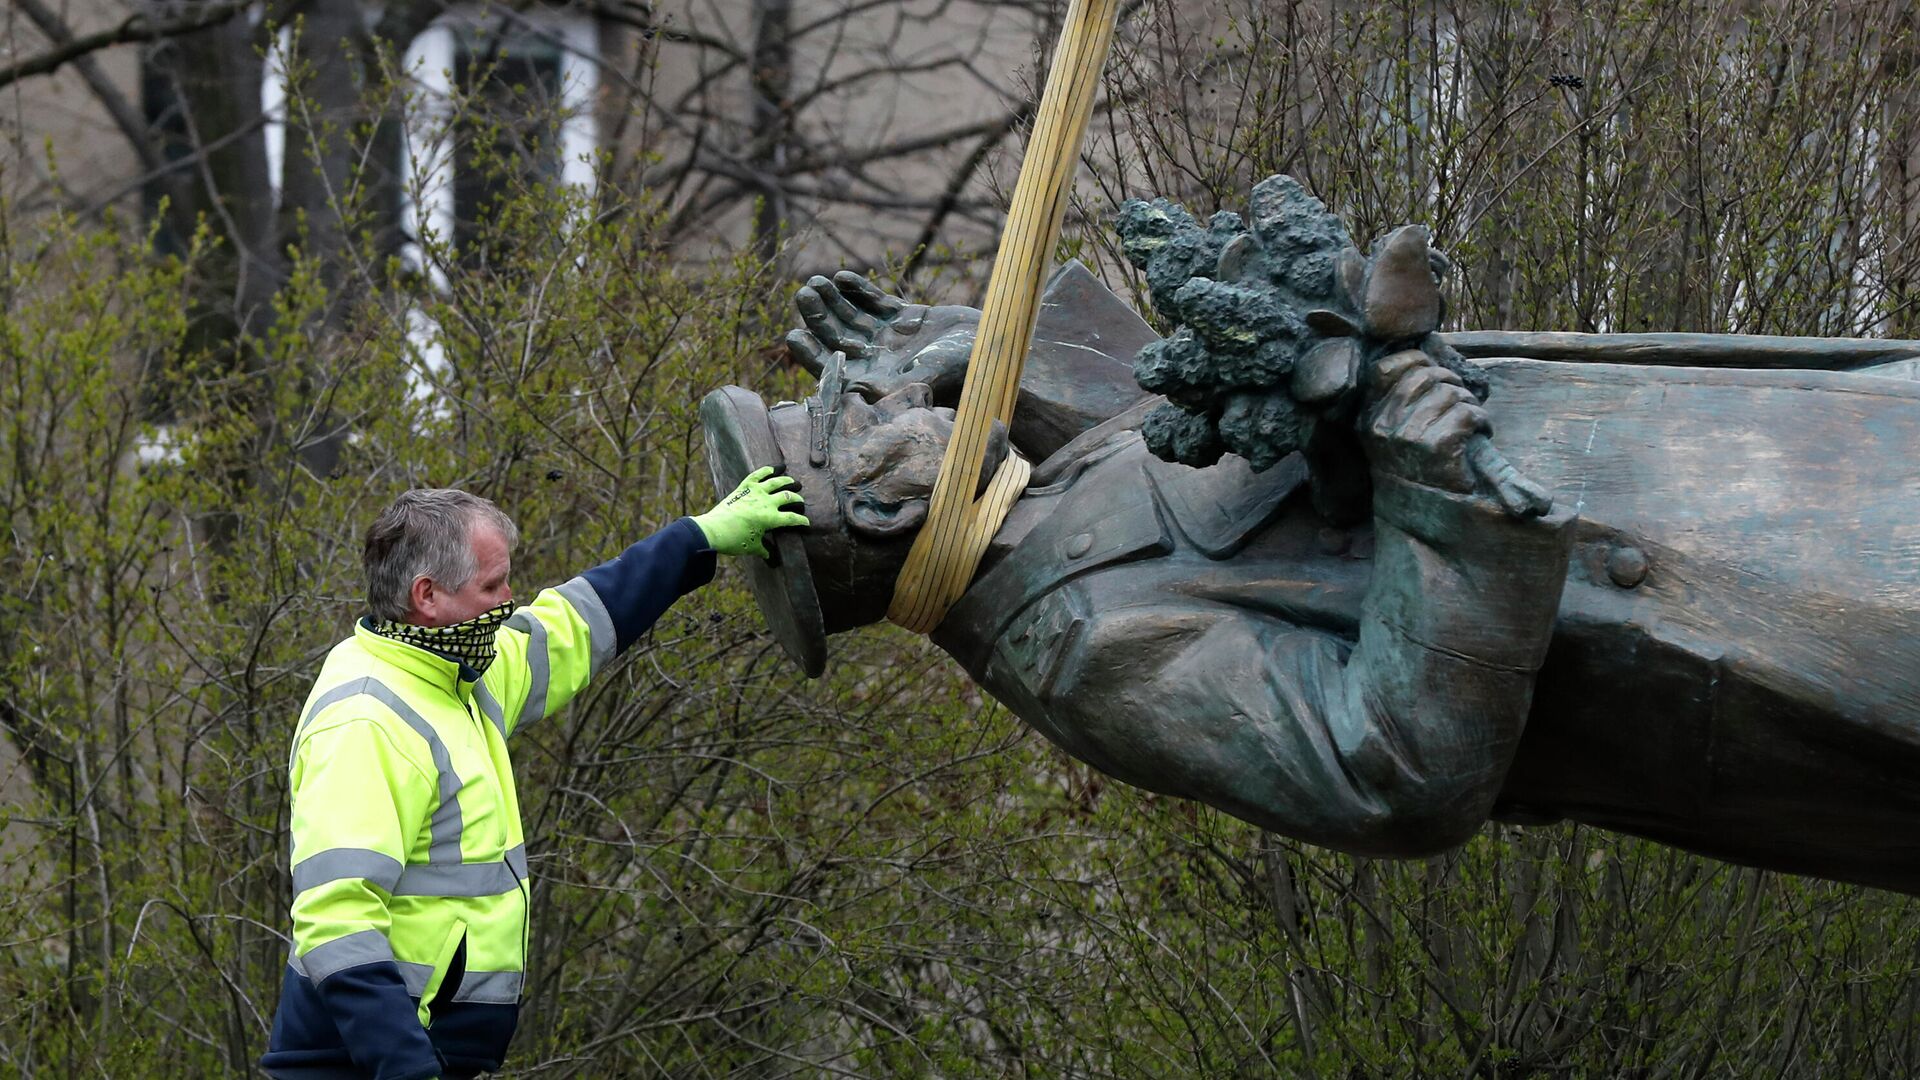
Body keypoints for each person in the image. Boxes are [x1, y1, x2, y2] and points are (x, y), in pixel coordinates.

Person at [699, 265, 1920, 894]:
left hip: (1736, 444)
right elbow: (1393, 771)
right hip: (1736, 595)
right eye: (855, 421)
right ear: (881, 502)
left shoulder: (1040, 497)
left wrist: (989, 347)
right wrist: (1439, 501)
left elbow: (1161, 411)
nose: (883, 395)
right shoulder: (1079, 645)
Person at [262, 480, 807, 1080]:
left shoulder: (458, 670)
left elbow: (569, 626)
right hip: (366, 1064)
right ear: (428, 596)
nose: (508, 599)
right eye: (492, 586)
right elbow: (338, 919)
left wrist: (697, 539)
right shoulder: (366, 719)